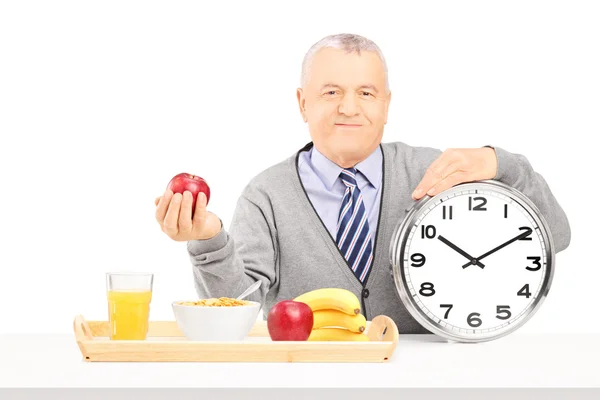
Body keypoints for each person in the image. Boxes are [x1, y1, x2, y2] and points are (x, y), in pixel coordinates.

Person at [154, 33, 571, 334]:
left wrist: (504, 164)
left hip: (429, 380)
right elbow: (238, 310)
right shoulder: (266, 195)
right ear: (303, 103)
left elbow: (556, 234)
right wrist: (209, 241)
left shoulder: (437, 172)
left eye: (367, 93)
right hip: (310, 382)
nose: (348, 108)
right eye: (331, 91)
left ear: (386, 104)